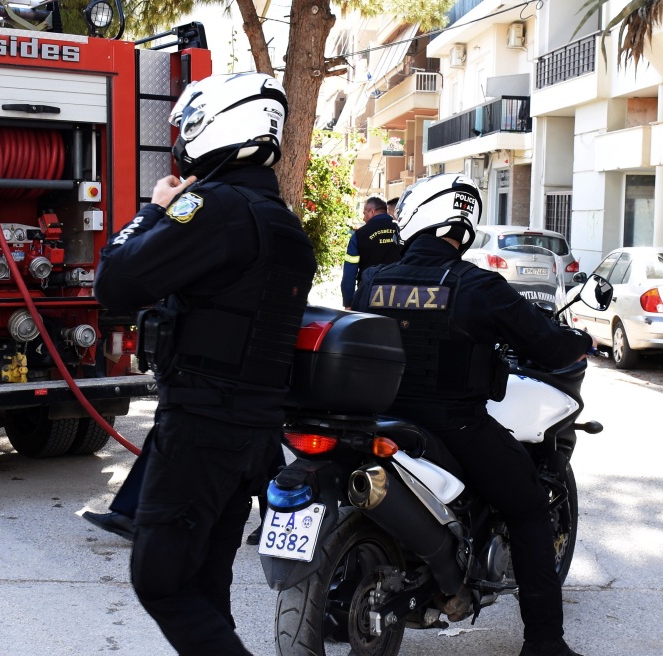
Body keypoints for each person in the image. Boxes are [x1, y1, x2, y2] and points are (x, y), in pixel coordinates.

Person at [94, 72, 317, 655]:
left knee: (161, 581)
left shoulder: (211, 206)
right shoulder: (282, 220)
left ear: (214, 125)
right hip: (254, 431)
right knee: (204, 585)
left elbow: (116, 283)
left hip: (201, 424)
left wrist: (154, 211)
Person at [352, 173, 593, 656]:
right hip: (454, 425)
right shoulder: (475, 285)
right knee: (527, 508)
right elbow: (543, 342)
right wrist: (580, 341)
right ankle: (545, 642)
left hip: (378, 420)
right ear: (462, 227)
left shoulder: (375, 280)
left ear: (418, 217)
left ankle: (341, 613)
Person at [341, 195, 401, 309]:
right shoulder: (401, 230)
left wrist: (348, 302)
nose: (364, 219)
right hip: (399, 295)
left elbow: (350, 271)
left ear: (372, 212)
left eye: (364, 213)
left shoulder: (359, 235)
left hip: (368, 294)